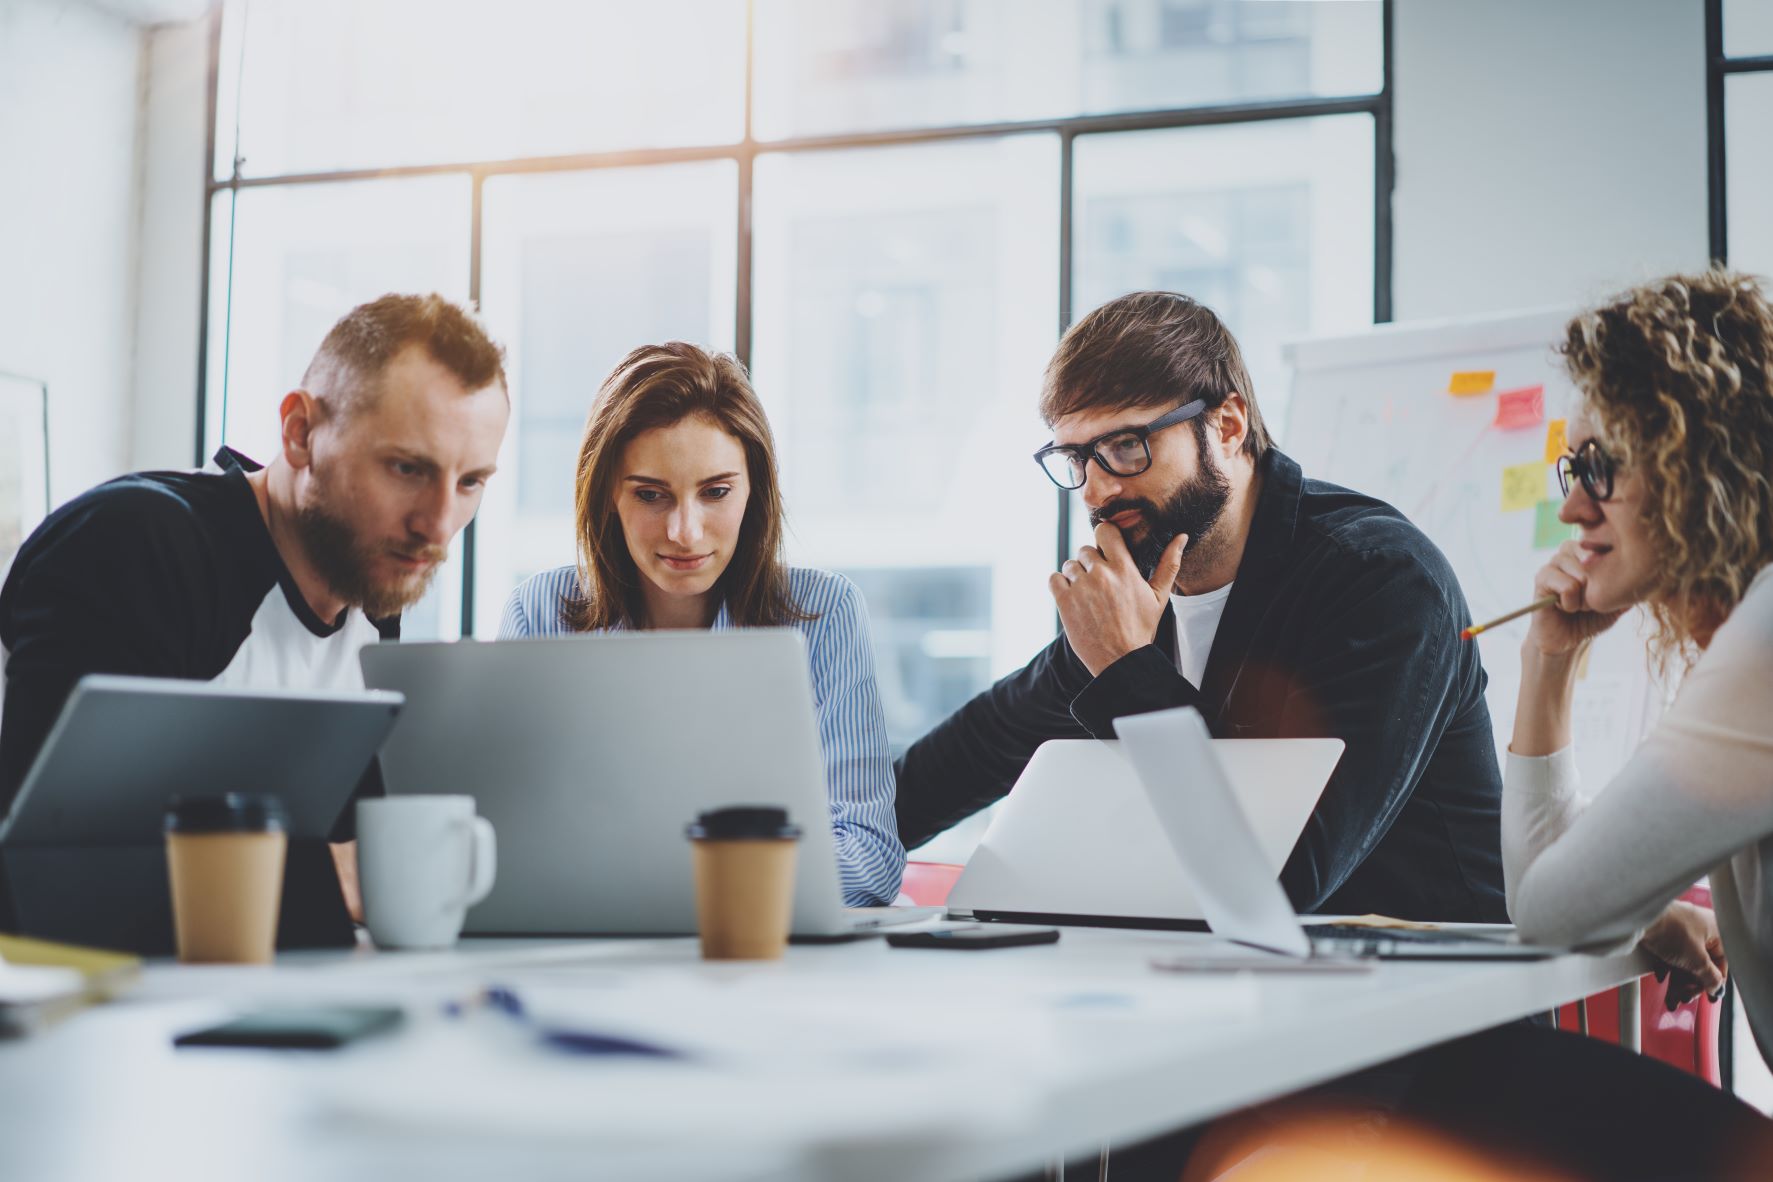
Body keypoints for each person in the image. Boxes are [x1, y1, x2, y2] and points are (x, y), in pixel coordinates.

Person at [895, 291, 1505, 921]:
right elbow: (961, 762)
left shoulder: (1381, 581)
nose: (1098, 487)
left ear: (1228, 425)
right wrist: (820, 841)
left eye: (1128, 446)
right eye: (1076, 458)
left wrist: (1127, 666)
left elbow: (1279, 880)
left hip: (1432, 999)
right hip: (1254, 996)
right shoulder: (1142, 598)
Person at [0, 292, 511, 925]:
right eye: (407, 468)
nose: (437, 525)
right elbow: (44, 865)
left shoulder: (369, 587)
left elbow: (357, 857)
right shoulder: (135, 546)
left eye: (470, 483)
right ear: (300, 432)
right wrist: (329, 879)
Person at [499, 342, 904, 906]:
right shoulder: (539, 611)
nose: (685, 532)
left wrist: (663, 879)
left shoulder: (824, 614)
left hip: (759, 958)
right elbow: (513, 844)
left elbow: (869, 857)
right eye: (650, 495)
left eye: (715, 492)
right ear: (607, 497)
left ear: (753, 491)